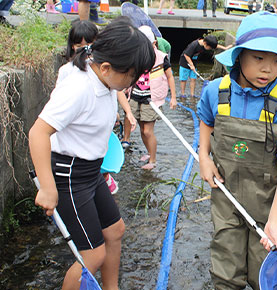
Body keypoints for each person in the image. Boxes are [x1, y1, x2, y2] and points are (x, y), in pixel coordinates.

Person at [28, 19, 155, 289]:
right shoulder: (78, 88)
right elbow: (38, 133)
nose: (132, 82)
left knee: (115, 230)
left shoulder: (102, 72)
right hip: (69, 176)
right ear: (107, 68)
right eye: (131, 76)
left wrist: (127, 112)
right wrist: (48, 188)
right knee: (92, 255)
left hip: (91, 171)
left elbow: (114, 90)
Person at [197, 11, 277, 290]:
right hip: (226, 199)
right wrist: (203, 156)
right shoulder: (216, 92)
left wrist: (275, 220)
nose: (268, 69)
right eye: (259, 58)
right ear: (239, 55)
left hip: (269, 205)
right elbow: (205, 118)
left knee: (266, 274)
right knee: (225, 270)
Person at [56, 19, 137, 194]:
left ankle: (104, 177)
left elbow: (117, 89)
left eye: (90, 44)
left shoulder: (102, 67)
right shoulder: (68, 71)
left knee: (103, 150)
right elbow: (60, 103)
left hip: (102, 125)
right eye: (79, 45)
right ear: (72, 47)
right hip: (81, 128)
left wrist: (126, 112)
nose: (85, 49)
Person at [121, 25, 177, 170]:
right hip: (135, 95)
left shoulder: (161, 58)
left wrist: (173, 97)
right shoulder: (135, 56)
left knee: (147, 131)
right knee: (141, 129)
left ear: (153, 44)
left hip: (151, 99)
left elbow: (170, 76)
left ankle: (153, 160)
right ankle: (149, 153)